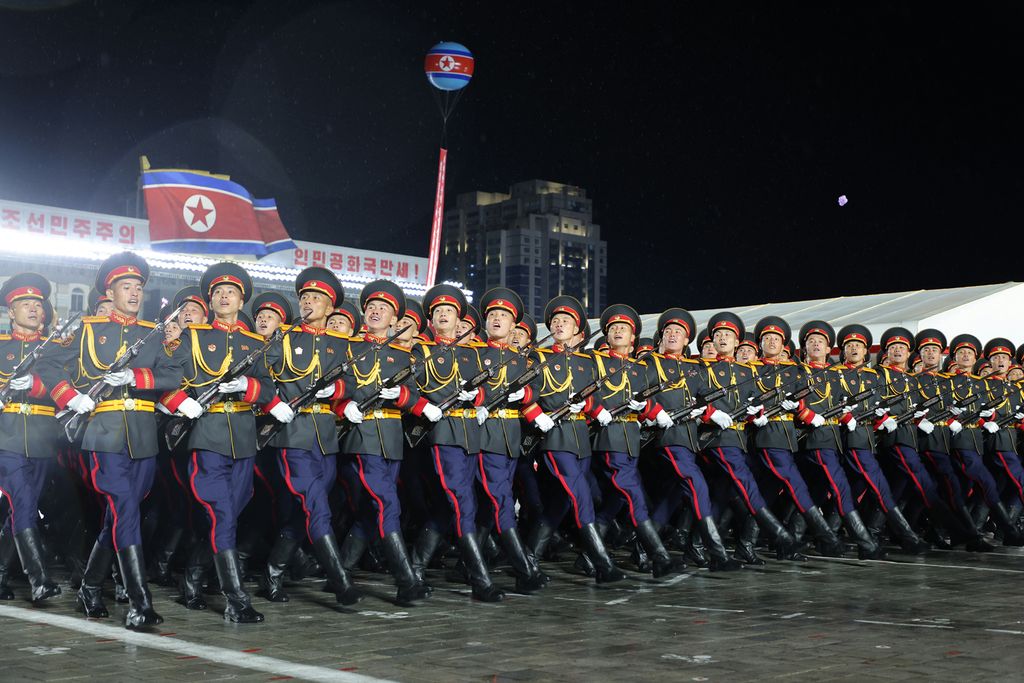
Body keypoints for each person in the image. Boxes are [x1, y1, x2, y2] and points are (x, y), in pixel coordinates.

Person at [47, 252, 184, 629]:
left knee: (120, 518)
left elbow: (173, 375)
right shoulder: (87, 329)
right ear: (110, 292)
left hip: (143, 438)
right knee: (124, 511)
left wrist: (136, 378)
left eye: (138, 287)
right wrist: (70, 397)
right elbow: (48, 363)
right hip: (104, 435)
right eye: (126, 287)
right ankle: (140, 602)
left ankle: (90, 587)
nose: (134, 293)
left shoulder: (153, 334)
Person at [159, 262, 278, 622]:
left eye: (232, 292)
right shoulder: (193, 337)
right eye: (218, 292)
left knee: (226, 516)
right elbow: (165, 379)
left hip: (243, 438)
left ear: (242, 301)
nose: (225, 296)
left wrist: (247, 386)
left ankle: (192, 578)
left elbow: (268, 389)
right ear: (210, 301)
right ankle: (236, 599)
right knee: (221, 514)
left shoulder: (254, 343)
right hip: (207, 435)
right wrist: (183, 402)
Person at [259, 267, 360, 606]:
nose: (308, 302)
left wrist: (338, 390)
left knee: (306, 511)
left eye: (316, 298)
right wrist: (273, 404)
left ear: (330, 308)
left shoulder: (339, 343)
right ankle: (341, 581)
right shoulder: (284, 337)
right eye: (304, 297)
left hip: (325, 437)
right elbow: (259, 373)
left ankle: (272, 573)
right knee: (316, 506)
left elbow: (352, 382)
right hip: (293, 434)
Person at [337, 279, 436, 605]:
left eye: (384, 308)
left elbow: (413, 395)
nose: (376, 311)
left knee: (373, 511)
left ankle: (339, 572)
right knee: (386, 504)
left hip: (391, 438)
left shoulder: (402, 355)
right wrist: (343, 405)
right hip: (362, 435)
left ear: (395, 319)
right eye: (372, 307)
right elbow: (334, 386)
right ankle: (406, 580)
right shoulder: (349, 348)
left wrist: (403, 396)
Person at [408, 284, 505, 602]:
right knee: (462, 502)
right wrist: (425, 407)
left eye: (448, 311)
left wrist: (477, 396)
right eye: (437, 311)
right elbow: (408, 389)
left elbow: (486, 388)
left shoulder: (472, 353)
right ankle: (480, 580)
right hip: (444, 434)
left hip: (470, 434)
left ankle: (415, 568)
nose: (443, 315)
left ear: (459, 318)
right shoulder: (421, 351)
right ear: (431, 320)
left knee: (447, 506)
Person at [523, 295, 625, 583]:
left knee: (561, 502)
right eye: (555, 321)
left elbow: (590, 396)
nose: (559, 324)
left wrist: (594, 409)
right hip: (556, 437)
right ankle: (602, 563)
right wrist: (536, 415)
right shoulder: (539, 358)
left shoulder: (585, 362)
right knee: (581, 497)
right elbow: (526, 394)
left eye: (565, 321)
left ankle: (528, 559)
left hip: (580, 438)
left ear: (578, 331)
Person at [697, 312, 803, 560]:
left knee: (726, 492)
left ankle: (704, 544)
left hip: (743, 438)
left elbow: (752, 401)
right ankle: (781, 536)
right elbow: (693, 400)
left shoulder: (745, 372)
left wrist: (758, 413)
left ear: (737, 342)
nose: (723, 338)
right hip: (720, 438)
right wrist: (711, 413)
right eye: (718, 334)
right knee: (746, 485)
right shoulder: (702, 368)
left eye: (728, 335)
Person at [642, 307, 742, 570]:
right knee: (697, 485)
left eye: (678, 332)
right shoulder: (650, 363)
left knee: (672, 497)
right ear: (661, 336)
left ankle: (642, 550)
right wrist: (655, 411)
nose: (672, 335)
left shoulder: (692, 368)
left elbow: (705, 396)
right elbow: (638, 394)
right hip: (669, 436)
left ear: (687, 340)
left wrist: (710, 412)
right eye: (668, 331)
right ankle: (718, 553)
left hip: (689, 439)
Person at [590, 303, 685, 577]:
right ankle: (659, 557)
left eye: (624, 328)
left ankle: (588, 556)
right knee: (634, 497)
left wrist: (654, 412)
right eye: (613, 328)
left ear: (633, 338)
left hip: (630, 439)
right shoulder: (595, 362)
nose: (618, 331)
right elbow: (584, 393)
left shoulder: (638, 368)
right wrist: (597, 410)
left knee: (615, 501)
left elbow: (645, 398)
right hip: (610, 438)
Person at [473, 287, 547, 592]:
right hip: (485, 435)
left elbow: (534, 390)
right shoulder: (474, 353)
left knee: (490, 505)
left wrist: (527, 398)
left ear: (514, 325)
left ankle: (468, 563)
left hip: (510, 438)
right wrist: (477, 402)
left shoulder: (520, 360)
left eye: (503, 315)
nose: (496, 319)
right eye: (492, 315)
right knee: (501, 501)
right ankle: (525, 569)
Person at [0, 273, 63, 604]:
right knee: (22, 501)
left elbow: (67, 389)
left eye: (38, 304)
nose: (34, 309)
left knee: (22, 507)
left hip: (43, 439)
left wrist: (36, 386)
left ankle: (0, 573)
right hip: (6, 437)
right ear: (11, 311)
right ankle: (39, 579)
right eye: (25, 304)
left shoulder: (55, 350)